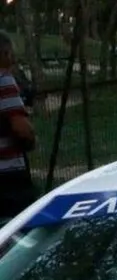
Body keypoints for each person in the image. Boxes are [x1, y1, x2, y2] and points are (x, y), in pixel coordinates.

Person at [0, 32, 36, 220]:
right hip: (9, 175)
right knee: (20, 224)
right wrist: (31, 137)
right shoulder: (3, 80)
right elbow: (21, 128)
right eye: (10, 54)